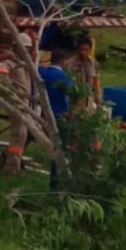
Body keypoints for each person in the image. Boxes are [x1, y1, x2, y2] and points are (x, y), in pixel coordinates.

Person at [1, 31, 36, 176]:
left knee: (22, 135)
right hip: (17, 102)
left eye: (27, 49)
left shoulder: (22, 64)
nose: (25, 51)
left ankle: (15, 165)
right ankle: (10, 168)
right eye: (24, 48)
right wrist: (12, 90)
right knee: (18, 134)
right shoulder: (9, 62)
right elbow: (1, 72)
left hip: (24, 102)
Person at [39, 48, 72, 188]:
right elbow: (72, 95)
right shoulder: (64, 78)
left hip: (43, 114)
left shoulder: (42, 72)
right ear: (64, 61)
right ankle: (55, 182)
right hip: (59, 115)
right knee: (59, 149)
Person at [66, 34, 101, 114]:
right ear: (77, 49)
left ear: (90, 50)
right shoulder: (70, 64)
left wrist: (98, 101)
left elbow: (96, 83)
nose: (83, 52)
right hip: (74, 99)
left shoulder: (93, 64)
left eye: (86, 50)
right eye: (81, 49)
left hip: (88, 99)